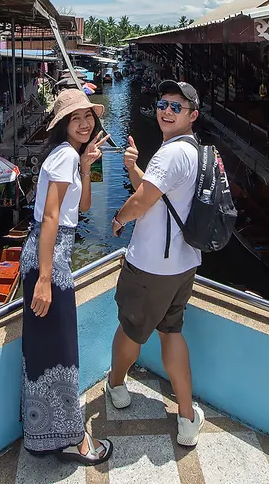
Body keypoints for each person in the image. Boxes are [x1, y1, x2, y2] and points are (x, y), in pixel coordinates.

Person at [107, 80, 206, 447]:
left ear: (192, 115)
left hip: (151, 265)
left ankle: (116, 385)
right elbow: (159, 198)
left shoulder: (169, 154)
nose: (166, 110)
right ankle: (185, 416)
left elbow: (141, 202)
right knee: (172, 331)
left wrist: (118, 219)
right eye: (163, 104)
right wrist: (135, 168)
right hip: (183, 265)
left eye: (176, 107)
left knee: (132, 329)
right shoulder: (194, 151)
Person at [20, 89, 112, 465]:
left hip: (54, 257)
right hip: (50, 259)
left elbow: (84, 207)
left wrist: (89, 165)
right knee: (61, 352)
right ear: (64, 126)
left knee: (51, 352)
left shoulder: (74, 158)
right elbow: (51, 219)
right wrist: (45, 278)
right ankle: (73, 440)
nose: (85, 123)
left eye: (88, 117)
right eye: (76, 119)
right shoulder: (61, 156)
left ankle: (46, 435)